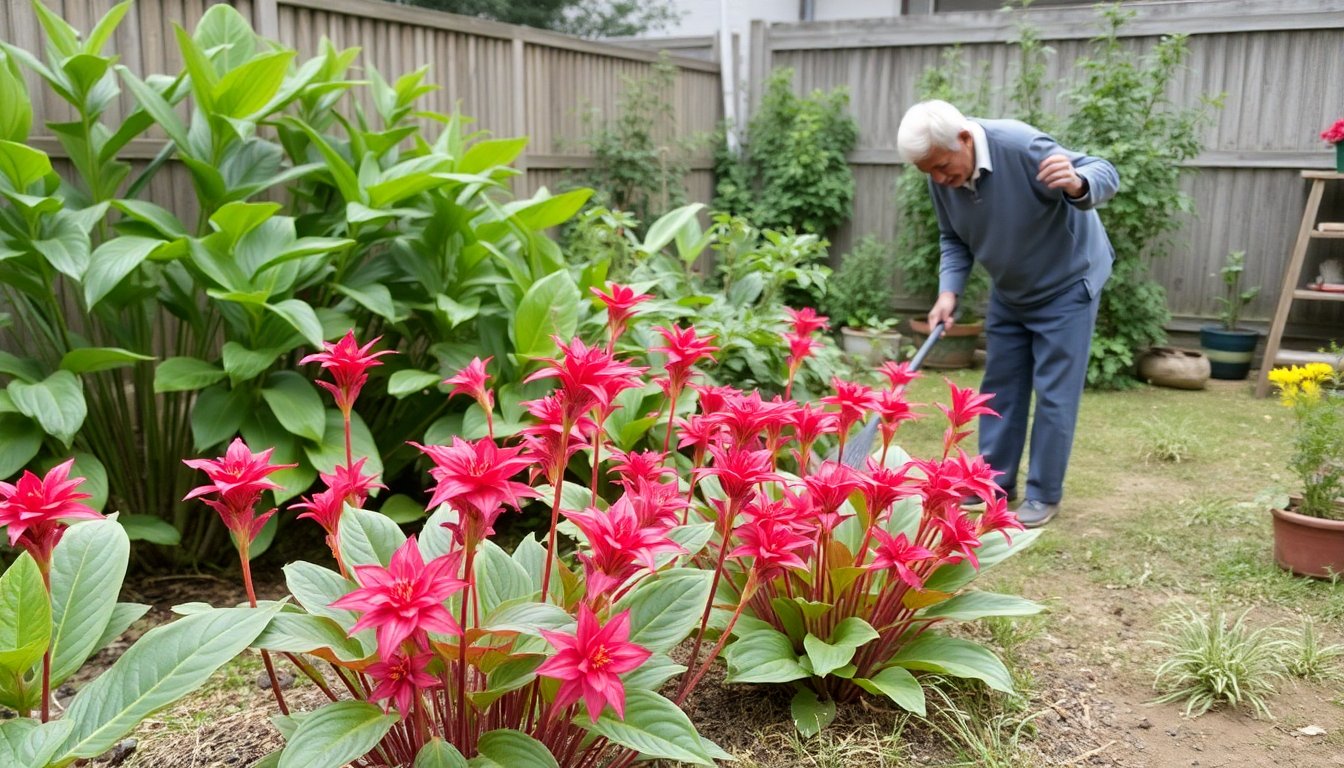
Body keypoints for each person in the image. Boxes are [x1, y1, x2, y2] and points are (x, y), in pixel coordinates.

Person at [895, 99, 1119, 528]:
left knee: (1054, 394)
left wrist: (1077, 183)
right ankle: (991, 484)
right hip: (1011, 288)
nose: (940, 179)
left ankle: (1043, 494)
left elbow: (1104, 170)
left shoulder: (1019, 145)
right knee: (998, 390)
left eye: (942, 166)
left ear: (963, 139)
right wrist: (948, 292)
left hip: (1068, 283)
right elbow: (953, 238)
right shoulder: (941, 176)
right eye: (930, 173)